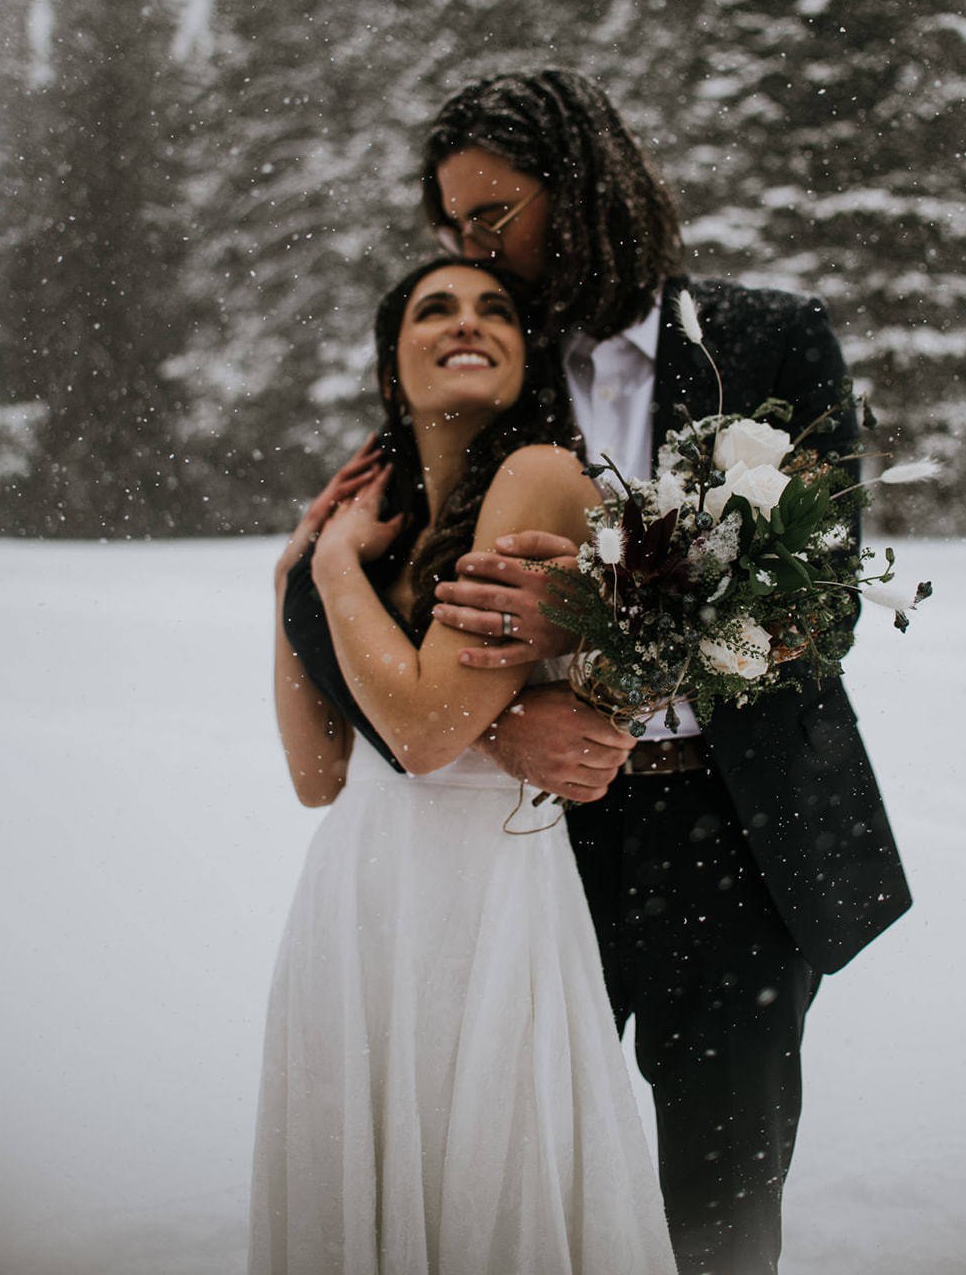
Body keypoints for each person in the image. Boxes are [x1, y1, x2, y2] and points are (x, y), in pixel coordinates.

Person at [419, 70, 913, 1275]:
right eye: (454, 229)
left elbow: (825, 603)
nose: (478, 251)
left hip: (739, 832)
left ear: (581, 185)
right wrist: (504, 729)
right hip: (537, 836)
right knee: (522, 1185)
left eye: (495, 216)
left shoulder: (771, 339)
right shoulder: (481, 366)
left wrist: (597, 612)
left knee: (725, 1203)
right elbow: (404, 598)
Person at [250, 257, 678, 1275]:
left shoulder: (537, 472)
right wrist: (291, 576)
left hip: (485, 890)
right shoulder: (376, 517)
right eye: (433, 309)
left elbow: (425, 733)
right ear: (391, 367)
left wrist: (324, 568)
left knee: (491, 1179)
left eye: (495, 310)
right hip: (357, 891)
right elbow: (319, 772)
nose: (466, 322)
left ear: (528, 357)